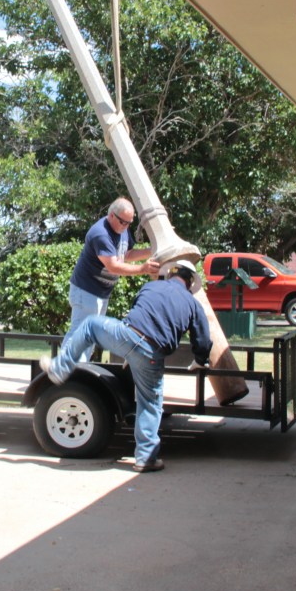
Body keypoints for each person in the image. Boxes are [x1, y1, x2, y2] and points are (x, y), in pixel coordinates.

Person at [40, 260, 212, 473]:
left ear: (170, 275)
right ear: (190, 283)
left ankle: (60, 369)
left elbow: (137, 313)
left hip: (126, 335)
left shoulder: (151, 286)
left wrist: (128, 352)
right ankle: (146, 459)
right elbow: (202, 340)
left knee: (90, 324)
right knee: (150, 403)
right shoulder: (193, 304)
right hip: (152, 353)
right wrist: (200, 360)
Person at [67, 197, 160, 360]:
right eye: (123, 222)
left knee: (89, 336)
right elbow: (113, 266)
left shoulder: (122, 229)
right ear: (111, 215)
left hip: (100, 293)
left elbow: (127, 254)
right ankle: (66, 371)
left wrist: (152, 250)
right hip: (86, 291)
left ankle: (76, 371)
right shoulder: (100, 233)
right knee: (80, 333)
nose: (126, 227)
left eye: (129, 223)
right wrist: (143, 269)